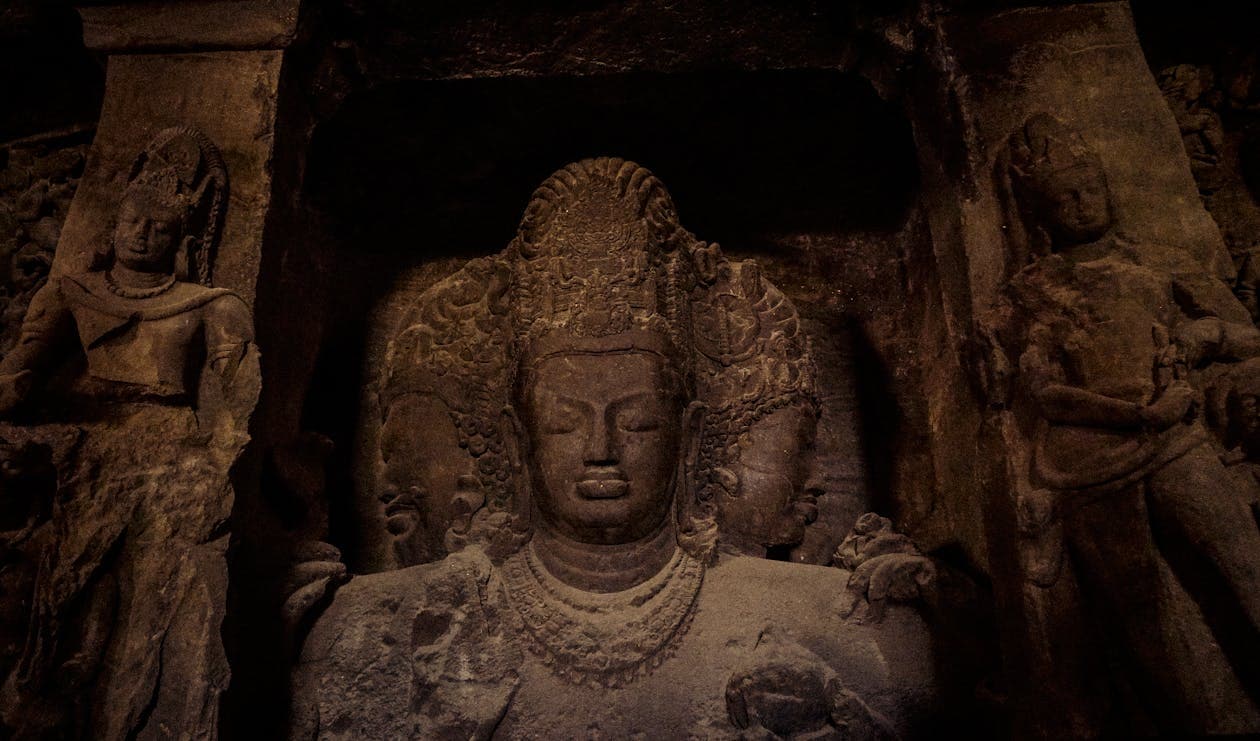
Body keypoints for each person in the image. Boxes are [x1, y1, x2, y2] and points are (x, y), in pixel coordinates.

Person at [291, 158, 936, 739]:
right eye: (565, 424)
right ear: (517, 442)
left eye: (638, 424)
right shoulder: (381, 625)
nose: (601, 448)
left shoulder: (821, 620)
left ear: (688, 442)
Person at [998, 113, 1260, 732]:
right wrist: (1139, 414)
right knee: (1150, 619)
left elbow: (1247, 340)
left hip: (1177, 441)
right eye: (1063, 197)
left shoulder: (1158, 262)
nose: (1082, 203)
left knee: (1245, 562)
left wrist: (1207, 334)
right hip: (1090, 466)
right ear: (1039, 213)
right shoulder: (1031, 289)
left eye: (1090, 187)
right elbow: (1045, 393)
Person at [0, 126, 258, 738]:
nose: (141, 235)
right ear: (112, 223)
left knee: (150, 614)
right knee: (65, 603)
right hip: (86, 450)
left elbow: (237, 389)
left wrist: (222, 445)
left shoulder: (209, 302)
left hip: (170, 456)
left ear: (183, 239)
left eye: (159, 228)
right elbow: (23, 369)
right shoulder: (72, 291)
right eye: (132, 221)